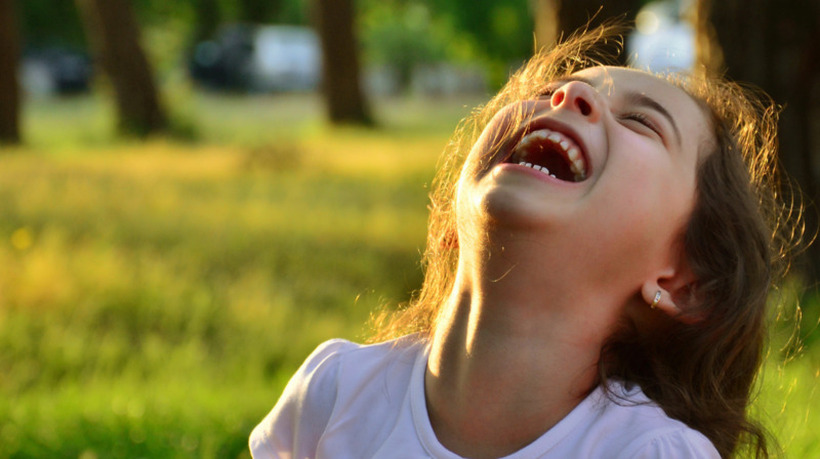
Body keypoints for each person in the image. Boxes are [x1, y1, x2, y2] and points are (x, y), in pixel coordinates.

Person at [249, 26, 800, 459]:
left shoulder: (649, 453)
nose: (570, 93)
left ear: (681, 281)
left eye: (640, 122)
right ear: (447, 224)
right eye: (546, 93)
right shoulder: (335, 394)